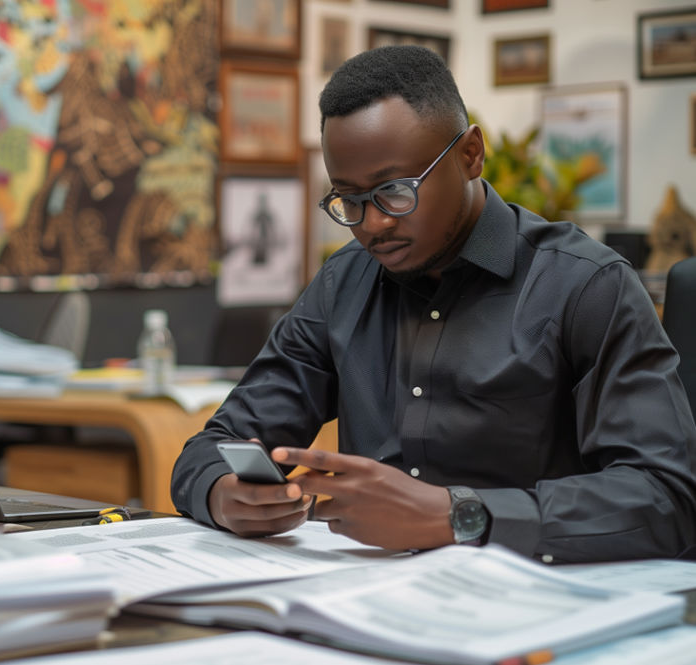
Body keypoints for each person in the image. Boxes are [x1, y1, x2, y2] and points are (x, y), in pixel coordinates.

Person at [171, 46, 696, 563]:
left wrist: (461, 516)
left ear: (470, 155)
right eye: (348, 200)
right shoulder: (343, 283)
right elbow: (214, 445)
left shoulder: (586, 286)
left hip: (538, 602)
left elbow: (666, 497)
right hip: (366, 595)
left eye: (396, 191)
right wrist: (221, 491)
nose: (373, 224)